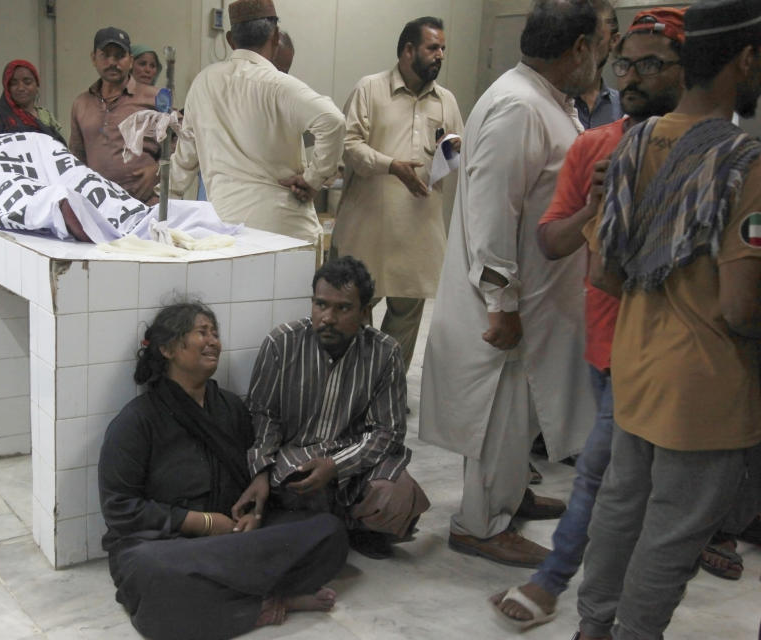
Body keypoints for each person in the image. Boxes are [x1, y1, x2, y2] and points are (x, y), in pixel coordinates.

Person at [490, 8, 687, 630]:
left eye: (651, 64)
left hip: (684, 352)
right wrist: (598, 207)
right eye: (624, 60)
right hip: (611, 347)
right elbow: (550, 240)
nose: (629, 75)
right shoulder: (594, 145)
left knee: (645, 487)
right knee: (602, 472)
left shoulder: (715, 156)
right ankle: (560, 589)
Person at [576, 1, 761, 637]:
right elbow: (740, 306)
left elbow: (604, 276)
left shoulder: (631, 147)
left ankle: (592, 626)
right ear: (745, 58)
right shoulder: (746, 164)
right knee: (673, 535)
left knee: (621, 508)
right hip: (705, 390)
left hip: (636, 369)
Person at [420, 0, 606, 569]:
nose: (606, 56)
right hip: (506, 302)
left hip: (540, 297)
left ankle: (510, 496)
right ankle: (479, 523)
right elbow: (490, 215)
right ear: (578, 48)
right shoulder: (517, 105)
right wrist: (501, 303)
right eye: (603, 43)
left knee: (522, 412)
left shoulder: (548, 101)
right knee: (500, 416)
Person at [99, 302, 349, 640]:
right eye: (202, 332)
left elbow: (252, 479)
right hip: (170, 546)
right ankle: (266, 600)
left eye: (215, 334)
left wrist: (253, 515)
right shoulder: (137, 421)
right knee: (154, 572)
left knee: (329, 532)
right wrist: (203, 524)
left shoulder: (231, 408)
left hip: (235, 540)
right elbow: (119, 508)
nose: (213, 341)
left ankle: (231, 598)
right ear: (168, 348)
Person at [241, 256, 429, 560]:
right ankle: (339, 526)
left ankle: (347, 526)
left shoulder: (385, 353)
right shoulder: (282, 343)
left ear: (365, 312)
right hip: (295, 457)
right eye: (321, 304)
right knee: (294, 487)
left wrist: (336, 465)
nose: (328, 317)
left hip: (354, 459)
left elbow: (387, 432)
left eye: (343, 308)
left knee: (397, 495)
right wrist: (260, 472)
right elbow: (263, 418)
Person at [331, 16, 464, 373]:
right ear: (408, 51)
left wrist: (450, 153)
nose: (440, 55)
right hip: (367, 230)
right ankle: (352, 387)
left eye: (443, 49)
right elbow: (349, 146)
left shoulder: (445, 101)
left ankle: (387, 387)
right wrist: (391, 166)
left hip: (417, 234)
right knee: (353, 311)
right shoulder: (370, 89)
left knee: (404, 323)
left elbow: (455, 155)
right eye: (432, 47)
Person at [170, 0, 345, 245]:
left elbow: (184, 159)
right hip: (283, 231)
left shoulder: (203, 83)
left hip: (224, 231)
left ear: (230, 40)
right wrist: (313, 179)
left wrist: (167, 199)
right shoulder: (278, 84)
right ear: (275, 36)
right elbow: (333, 121)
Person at [69, 27, 161, 204]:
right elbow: (76, 158)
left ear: (131, 60)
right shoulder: (81, 104)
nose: (112, 62)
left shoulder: (154, 98)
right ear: (93, 58)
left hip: (145, 204)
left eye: (119, 56)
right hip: (98, 207)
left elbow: (182, 142)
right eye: (105, 55)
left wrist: (157, 170)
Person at [0, 59, 65, 144]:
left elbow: (58, 148)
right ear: (7, 88)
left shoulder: (46, 116)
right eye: (14, 83)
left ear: (37, 85)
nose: (21, 88)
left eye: (27, 82)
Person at [575, 3, 623, 129]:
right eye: (576, 37)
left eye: (594, 38)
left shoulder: (624, 108)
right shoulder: (551, 103)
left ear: (614, 41)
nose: (582, 46)